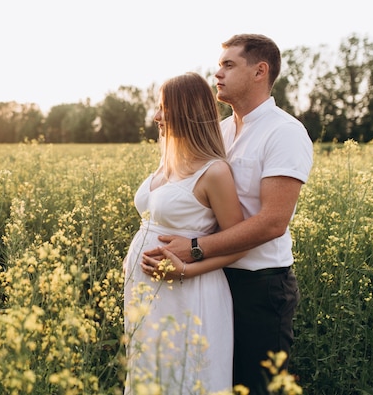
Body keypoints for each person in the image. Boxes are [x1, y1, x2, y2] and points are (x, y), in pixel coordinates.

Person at [142, 34, 314, 394]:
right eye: (219, 65)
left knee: (258, 386)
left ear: (259, 71)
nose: (217, 74)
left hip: (260, 285)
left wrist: (195, 248)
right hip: (211, 282)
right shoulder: (218, 132)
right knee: (210, 382)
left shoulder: (284, 133)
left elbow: (272, 222)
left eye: (228, 65)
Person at [123, 72, 247, 394]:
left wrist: (187, 269)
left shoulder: (214, 171)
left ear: (186, 111)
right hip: (148, 294)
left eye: (164, 107)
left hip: (188, 293)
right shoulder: (167, 163)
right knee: (151, 374)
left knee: (186, 376)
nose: (156, 116)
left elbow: (239, 243)